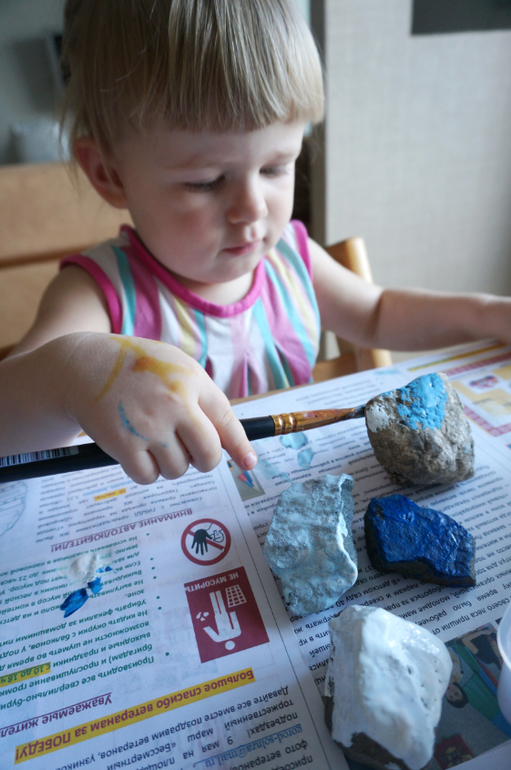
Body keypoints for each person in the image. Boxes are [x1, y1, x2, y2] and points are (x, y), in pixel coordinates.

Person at [2, 0, 511, 486]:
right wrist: (70, 378)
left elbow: (377, 314)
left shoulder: (290, 259)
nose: (253, 208)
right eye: (205, 181)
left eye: (275, 167)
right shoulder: (98, 293)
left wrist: (484, 314)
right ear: (110, 174)